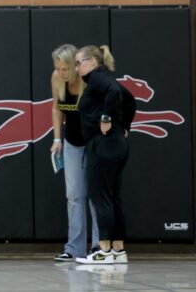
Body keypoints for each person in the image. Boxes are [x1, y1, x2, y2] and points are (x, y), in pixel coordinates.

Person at [74, 45, 135, 265]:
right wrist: (125, 125)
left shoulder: (97, 78)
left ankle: (104, 250)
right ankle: (118, 250)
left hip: (103, 145)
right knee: (113, 197)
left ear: (91, 62)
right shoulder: (103, 80)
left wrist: (106, 119)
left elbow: (116, 94)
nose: (76, 67)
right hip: (118, 144)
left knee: (101, 197)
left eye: (78, 63)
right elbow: (130, 100)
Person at [50, 44, 99, 262]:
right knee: (74, 195)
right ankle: (74, 248)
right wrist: (57, 138)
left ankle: (99, 246)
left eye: (65, 69)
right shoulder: (56, 78)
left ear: (76, 66)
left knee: (96, 195)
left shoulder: (89, 81)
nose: (61, 73)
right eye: (58, 68)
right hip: (71, 142)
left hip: (93, 141)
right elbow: (56, 108)